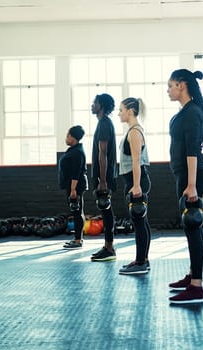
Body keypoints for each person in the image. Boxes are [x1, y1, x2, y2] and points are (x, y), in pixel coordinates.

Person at [166, 69, 203, 304]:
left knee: (193, 226)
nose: (168, 90)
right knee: (190, 227)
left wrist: (191, 185)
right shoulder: (185, 112)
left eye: (170, 85)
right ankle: (193, 275)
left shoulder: (192, 112)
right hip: (184, 176)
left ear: (182, 85)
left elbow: (193, 149)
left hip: (192, 177)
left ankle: (196, 286)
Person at [117, 97, 152, 275]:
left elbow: (137, 161)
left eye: (121, 110)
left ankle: (141, 262)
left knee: (139, 222)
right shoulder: (132, 131)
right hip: (133, 181)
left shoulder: (134, 133)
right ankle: (142, 259)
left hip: (136, 181)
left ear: (130, 111)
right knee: (141, 221)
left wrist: (137, 186)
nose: (119, 113)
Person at [90, 93, 118, 262]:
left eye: (95, 103)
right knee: (106, 211)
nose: (92, 105)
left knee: (106, 211)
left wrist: (103, 180)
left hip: (104, 177)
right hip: (104, 176)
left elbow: (103, 154)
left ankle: (109, 248)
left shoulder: (104, 124)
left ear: (102, 105)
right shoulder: (103, 123)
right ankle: (108, 246)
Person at [58, 125, 88, 250]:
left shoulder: (77, 152)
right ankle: (77, 238)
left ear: (73, 137)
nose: (66, 138)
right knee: (76, 211)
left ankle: (78, 240)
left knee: (77, 211)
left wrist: (73, 190)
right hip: (72, 186)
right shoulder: (73, 150)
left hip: (76, 186)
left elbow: (76, 173)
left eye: (67, 135)